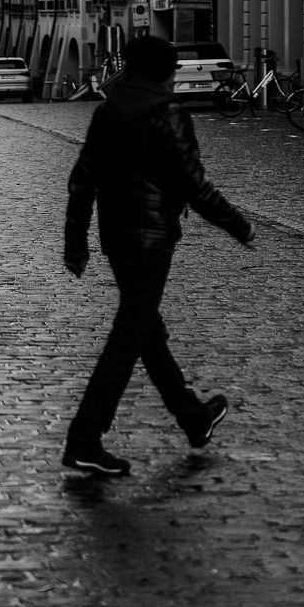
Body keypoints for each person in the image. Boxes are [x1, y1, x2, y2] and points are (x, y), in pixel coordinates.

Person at [62, 35, 254, 478]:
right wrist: (237, 225)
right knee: (130, 336)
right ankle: (84, 439)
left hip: (116, 237)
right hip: (151, 240)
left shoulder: (109, 111)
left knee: (146, 330)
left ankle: (193, 418)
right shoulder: (167, 114)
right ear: (164, 73)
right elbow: (193, 184)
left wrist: (76, 242)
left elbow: (82, 180)